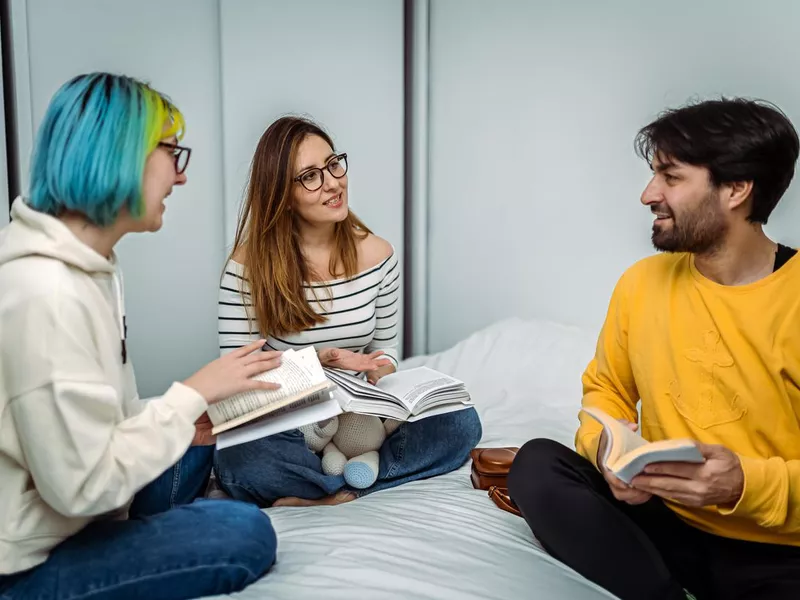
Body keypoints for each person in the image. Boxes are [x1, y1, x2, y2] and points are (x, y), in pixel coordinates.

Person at [0, 73, 282, 600]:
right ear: (123, 155)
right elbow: (79, 488)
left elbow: (92, 418)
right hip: (32, 559)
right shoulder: (46, 294)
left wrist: (183, 420)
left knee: (200, 443)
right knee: (243, 532)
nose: (180, 177)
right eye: (172, 153)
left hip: (79, 493)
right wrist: (190, 394)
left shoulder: (92, 264)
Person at [508, 98, 800, 600]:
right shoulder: (642, 283)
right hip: (668, 523)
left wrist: (743, 485)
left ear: (736, 189)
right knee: (536, 465)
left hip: (779, 549)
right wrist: (606, 454)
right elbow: (606, 392)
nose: (648, 194)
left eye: (671, 176)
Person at [213, 116, 482, 507]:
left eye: (333, 164)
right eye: (310, 176)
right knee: (235, 456)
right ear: (282, 194)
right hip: (300, 425)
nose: (333, 182)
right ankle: (343, 483)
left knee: (460, 423)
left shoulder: (379, 255)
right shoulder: (245, 269)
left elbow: (386, 348)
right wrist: (313, 368)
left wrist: (379, 371)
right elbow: (234, 379)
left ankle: (333, 486)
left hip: (363, 420)